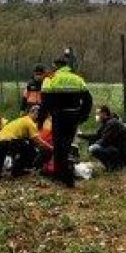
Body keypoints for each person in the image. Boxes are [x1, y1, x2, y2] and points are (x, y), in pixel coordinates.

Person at [38, 53, 93, 187]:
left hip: (58, 116)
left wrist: (41, 120)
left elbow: (44, 103)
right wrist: (82, 115)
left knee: (58, 146)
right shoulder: (77, 79)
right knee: (67, 144)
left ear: (55, 66)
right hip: (73, 116)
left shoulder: (50, 79)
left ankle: (62, 175)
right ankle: (64, 174)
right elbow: (88, 100)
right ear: (67, 66)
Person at [0, 106, 53, 181]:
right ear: (35, 114)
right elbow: (37, 140)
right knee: (29, 151)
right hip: (7, 142)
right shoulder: (30, 123)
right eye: (38, 115)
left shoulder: (21, 119)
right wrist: (50, 147)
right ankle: (17, 171)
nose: (38, 118)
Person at [78, 105, 126, 171]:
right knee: (92, 143)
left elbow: (105, 140)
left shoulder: (112, 123)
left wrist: (93, 146)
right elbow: (96, 136)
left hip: (120, 151)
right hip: (115, 147)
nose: (97, 116)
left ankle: (115, 165)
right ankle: (111, 164)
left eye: (98, 113)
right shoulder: (106, 122)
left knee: (94, 149)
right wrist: (81, 135)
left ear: (104, 113)